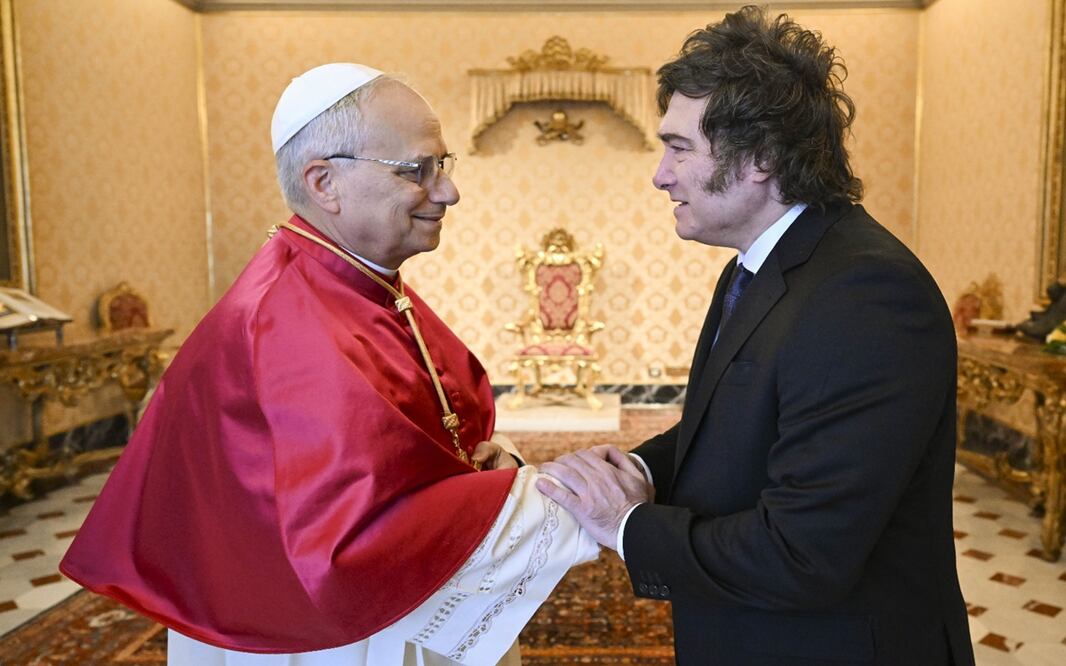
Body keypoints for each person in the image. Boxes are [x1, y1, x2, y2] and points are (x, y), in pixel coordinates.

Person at [61, 63, 598, 665]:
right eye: (418, 170)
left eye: (443, 167)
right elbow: (356, 542)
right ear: (324, 183)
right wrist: (548, 496)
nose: (447, 191)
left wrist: (484, 465)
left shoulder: (355, 282)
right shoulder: (289, 321)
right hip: (317, 634)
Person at [537, 6, 975, 665]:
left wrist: (628, 526)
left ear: (761, 158)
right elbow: (732, 429)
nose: (660, 174)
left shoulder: (868, 297)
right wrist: (635, 468)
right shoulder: (758, 265)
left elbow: (804, 555)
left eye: (679, 147)